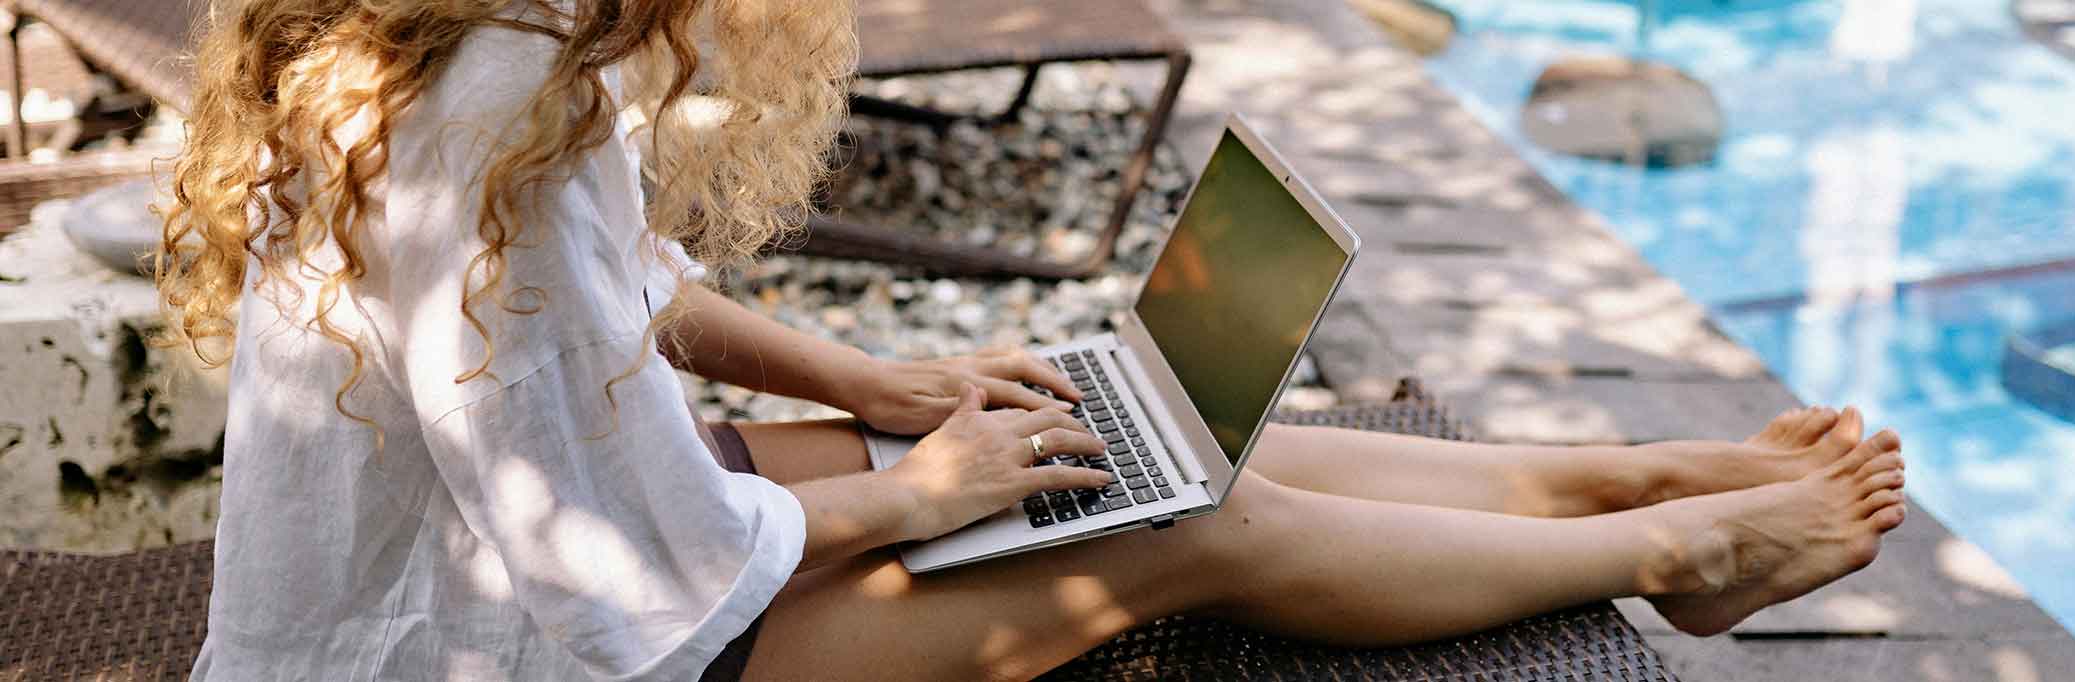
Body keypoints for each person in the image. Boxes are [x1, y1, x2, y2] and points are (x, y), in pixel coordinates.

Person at [158, 1, 1908, 679]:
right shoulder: (494, 102)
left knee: (1111, 427)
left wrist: (878, 390)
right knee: (1177, 527)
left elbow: (617, 305)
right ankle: (1685, 540)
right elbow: (623, 580)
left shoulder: (455, 42)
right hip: (536, 662)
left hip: (539, 584)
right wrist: (917, 497)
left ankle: (1620, 478)